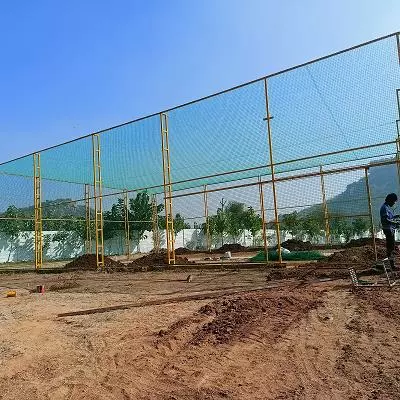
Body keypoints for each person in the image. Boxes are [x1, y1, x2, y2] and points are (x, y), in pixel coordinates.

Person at [380, 193, 400, 270]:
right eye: (394, 201)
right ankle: (392, 266)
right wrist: (396, 223)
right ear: (390, 200)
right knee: (390, 248)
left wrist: (396, 216)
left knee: (391, 247)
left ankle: (392, 265)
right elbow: (385, 220)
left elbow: (389, 218)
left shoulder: (387, 207)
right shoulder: (384, 208)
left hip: (390, 229)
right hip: (388, 229)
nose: (394, 203)